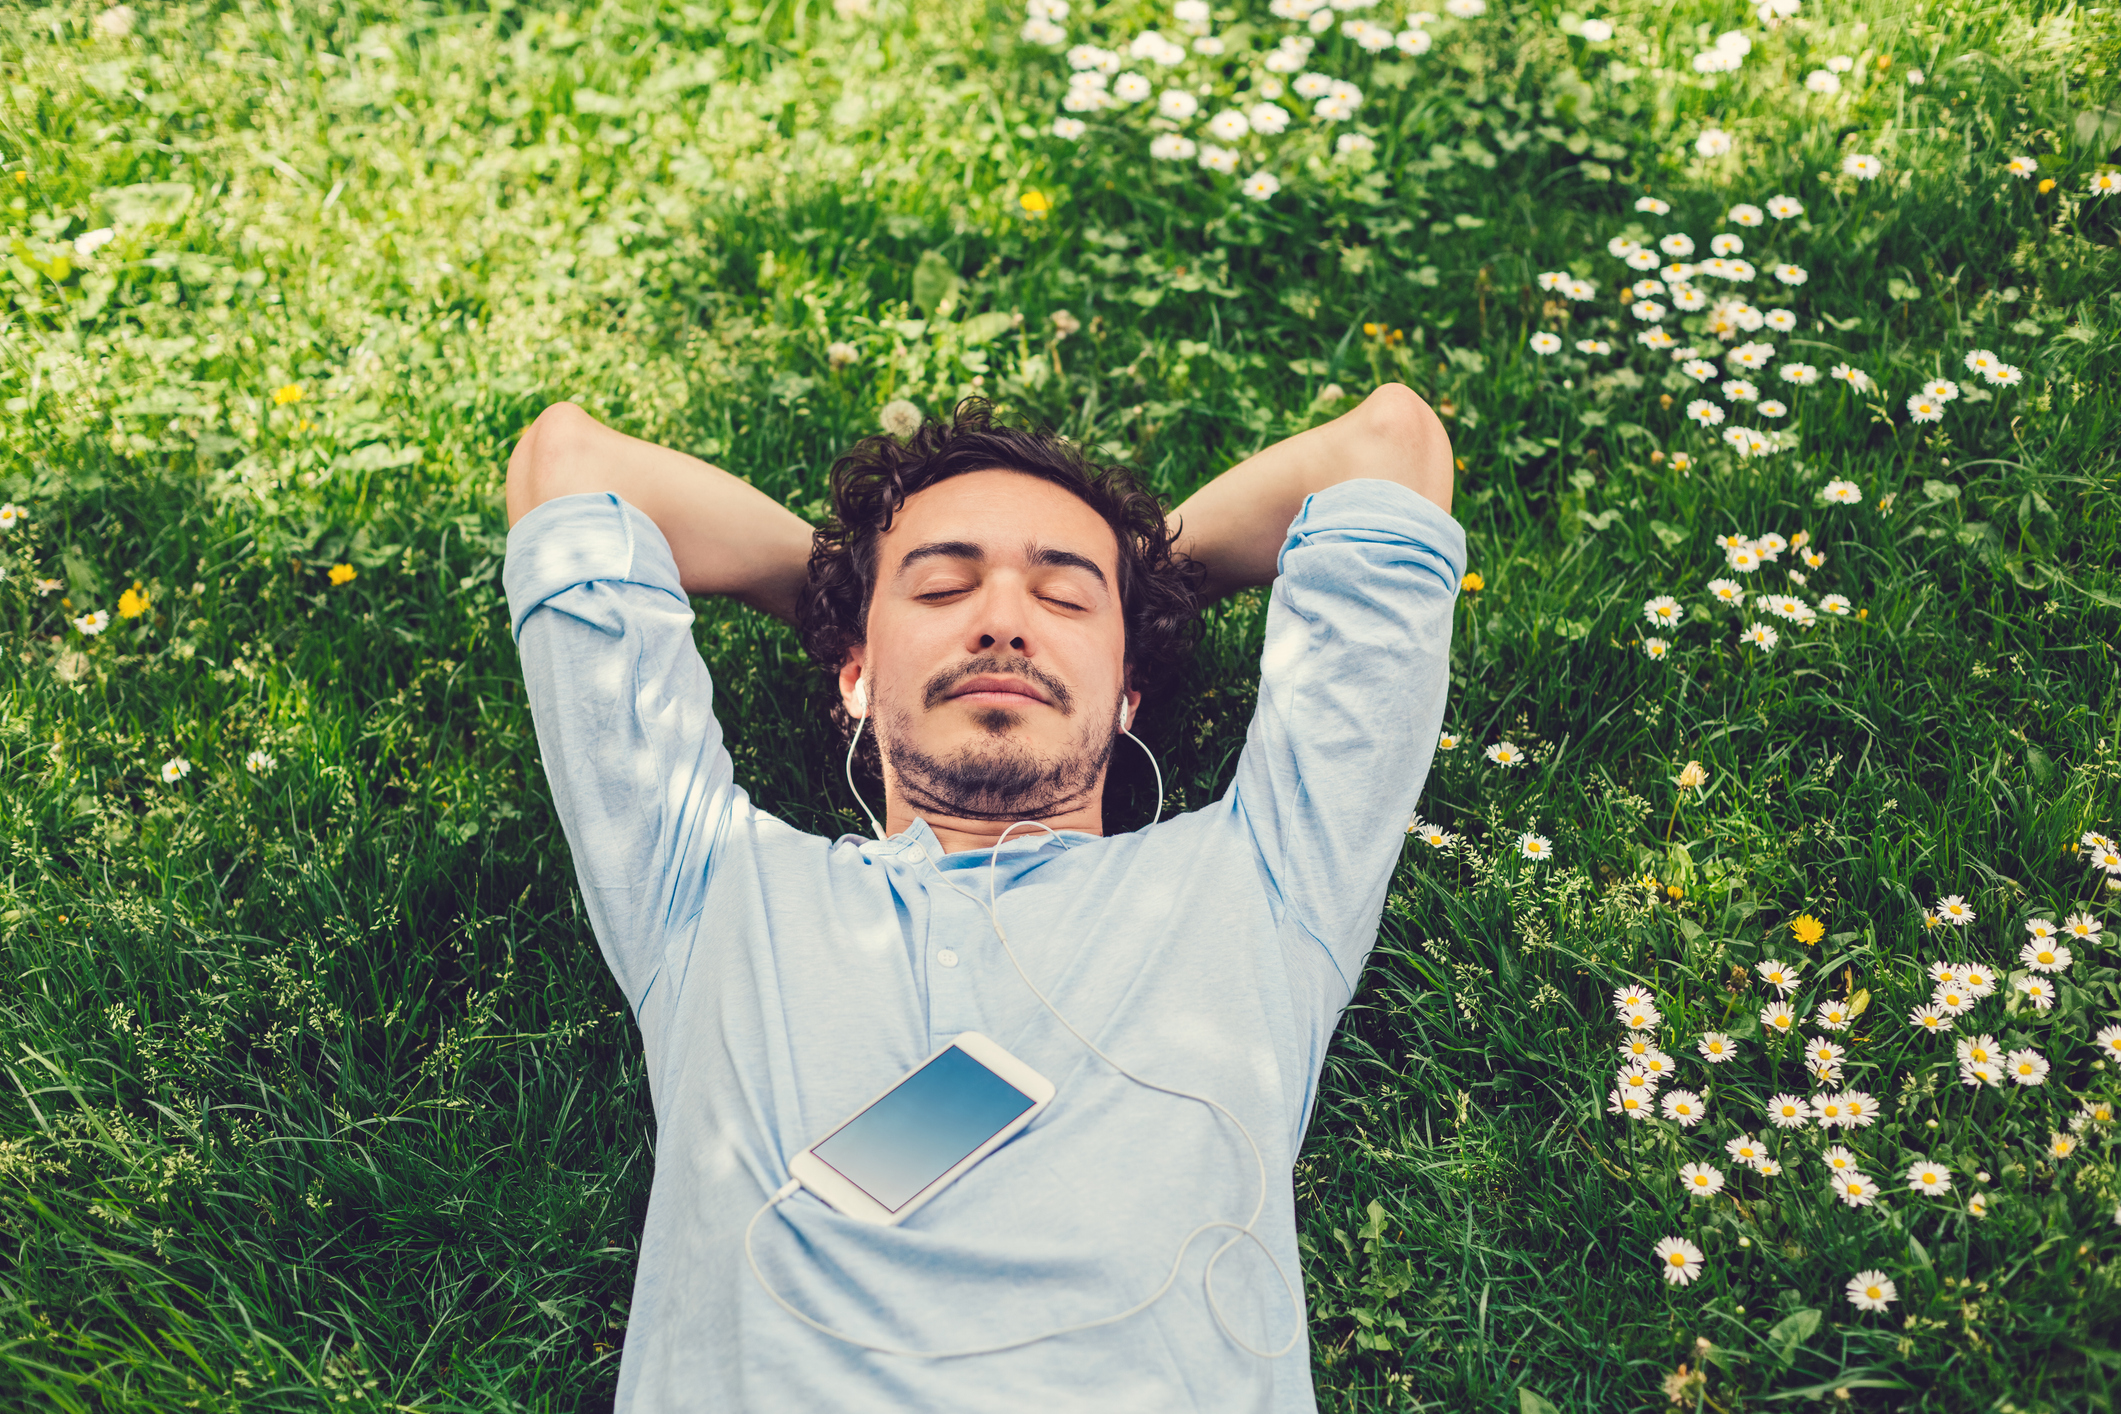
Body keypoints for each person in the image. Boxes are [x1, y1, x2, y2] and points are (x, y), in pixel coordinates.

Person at [503, 383, 1461, 1412]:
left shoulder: (1264, 880)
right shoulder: (708, 885)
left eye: (1063, 599)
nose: (1003, 622)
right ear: (856, 678)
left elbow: (1389, 445)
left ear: (1129, 689)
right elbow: (569, 466)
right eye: (944, 589)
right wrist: (840, 594)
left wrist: (1143, 581)